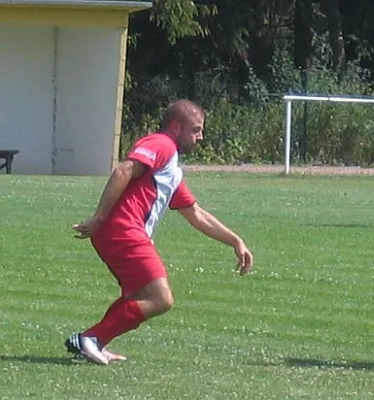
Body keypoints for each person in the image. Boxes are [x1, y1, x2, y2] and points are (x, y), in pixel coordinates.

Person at [65, 99, 254, 365]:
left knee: (137, 297)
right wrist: (98, 217)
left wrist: (236, 241)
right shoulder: (162, 144)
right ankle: (90, 339)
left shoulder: (170, 168)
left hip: (124, 231)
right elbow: (124, 170)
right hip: (123, 229)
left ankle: (96, 341)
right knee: (161, 298)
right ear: (176, 127)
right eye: (196, 129)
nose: (201, 137)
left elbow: (196, 213)